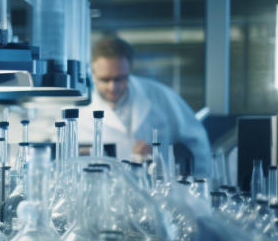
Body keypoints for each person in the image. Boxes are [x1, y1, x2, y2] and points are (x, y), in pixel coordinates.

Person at [76, 36, 211, 175]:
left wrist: (199, 188)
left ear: (131, 68)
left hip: (157, 191)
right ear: (92, 72)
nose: (112, 86)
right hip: (103, 191)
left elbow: (198, 142)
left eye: (120, 78)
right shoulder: (78, 110)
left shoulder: (160, 96)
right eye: (105, 79)